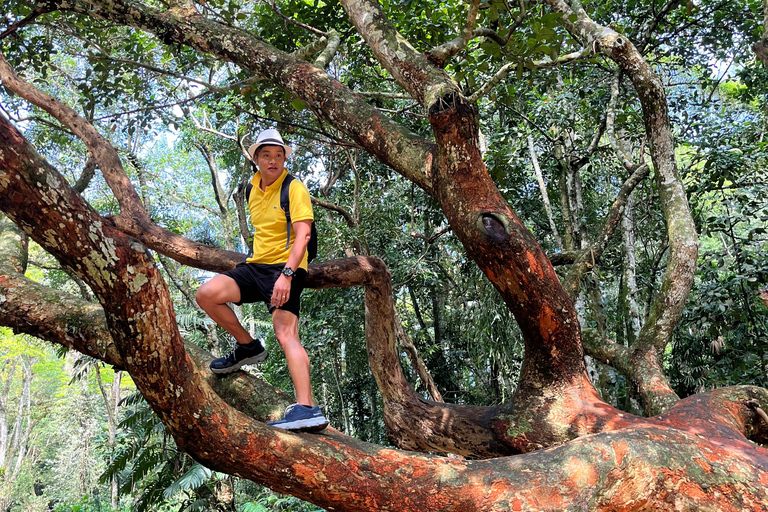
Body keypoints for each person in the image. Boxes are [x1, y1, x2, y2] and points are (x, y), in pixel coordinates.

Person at [196, 128, 328, 432]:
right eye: (266, 155)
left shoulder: (293, 188)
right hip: (255, 266)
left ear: (284, 159)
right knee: (207, 294)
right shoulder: (251, 188)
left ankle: (307, 407)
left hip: (285, 268)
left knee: (286, 334)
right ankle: (248, 347)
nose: (273, 160)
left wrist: (287, 274)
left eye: (278, 155)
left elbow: (304, 235)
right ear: (256, 158)